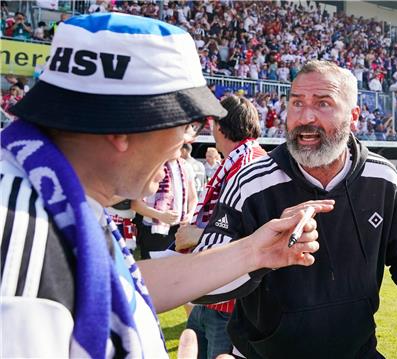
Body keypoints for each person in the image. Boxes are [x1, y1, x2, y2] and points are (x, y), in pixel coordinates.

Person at [0, 13, 324, 358]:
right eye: (186, 123)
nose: (191, 138)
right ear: (124, 128)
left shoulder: (46, 201)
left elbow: (116, 283)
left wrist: (257, 251)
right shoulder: (24, 241)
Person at [191, 60, 397, 359]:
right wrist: (258, 255)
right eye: (296, 103)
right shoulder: (250, 182)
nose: (305, 117)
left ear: (354, 117)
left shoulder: (383, 178)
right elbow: (203, 282)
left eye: (323, 103)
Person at [177, 94, 266, 359]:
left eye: (213, 122)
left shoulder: (249, 162)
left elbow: (257, 231)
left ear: (220, 125)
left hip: (229, 300)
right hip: (211, 292)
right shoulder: (236, 160)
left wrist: (197, 234)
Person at [132, 158, 197, 259]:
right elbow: (135, 204)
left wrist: (190, 215)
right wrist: (160, 216)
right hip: (154, 231)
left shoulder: (185, 166)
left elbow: (193, 198)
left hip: (180, 229)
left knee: (176, 271)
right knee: (153, 271)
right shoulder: (150, 166)